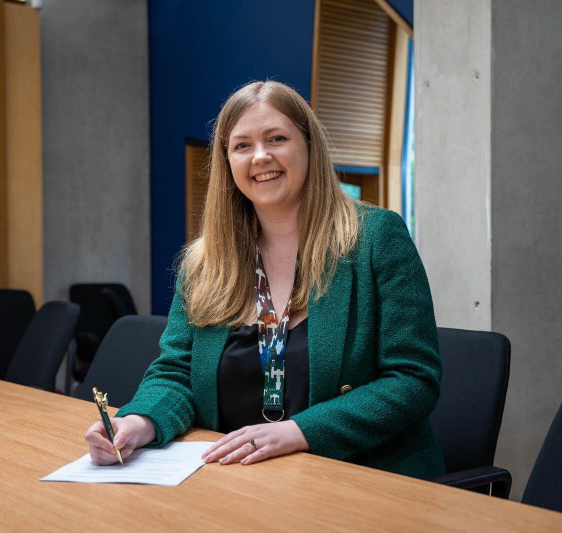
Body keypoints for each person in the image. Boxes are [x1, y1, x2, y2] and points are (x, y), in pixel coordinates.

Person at [84, 81, 445, 479]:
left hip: (360, 477)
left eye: (277, 138)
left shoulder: (376, 239)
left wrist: (299, 432)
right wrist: (139, 422)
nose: (260, 156)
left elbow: (413, 380)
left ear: (308, 146)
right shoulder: (205, 263)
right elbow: (175, 373)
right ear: (227, 162)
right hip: (237, 480)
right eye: (242, 145)